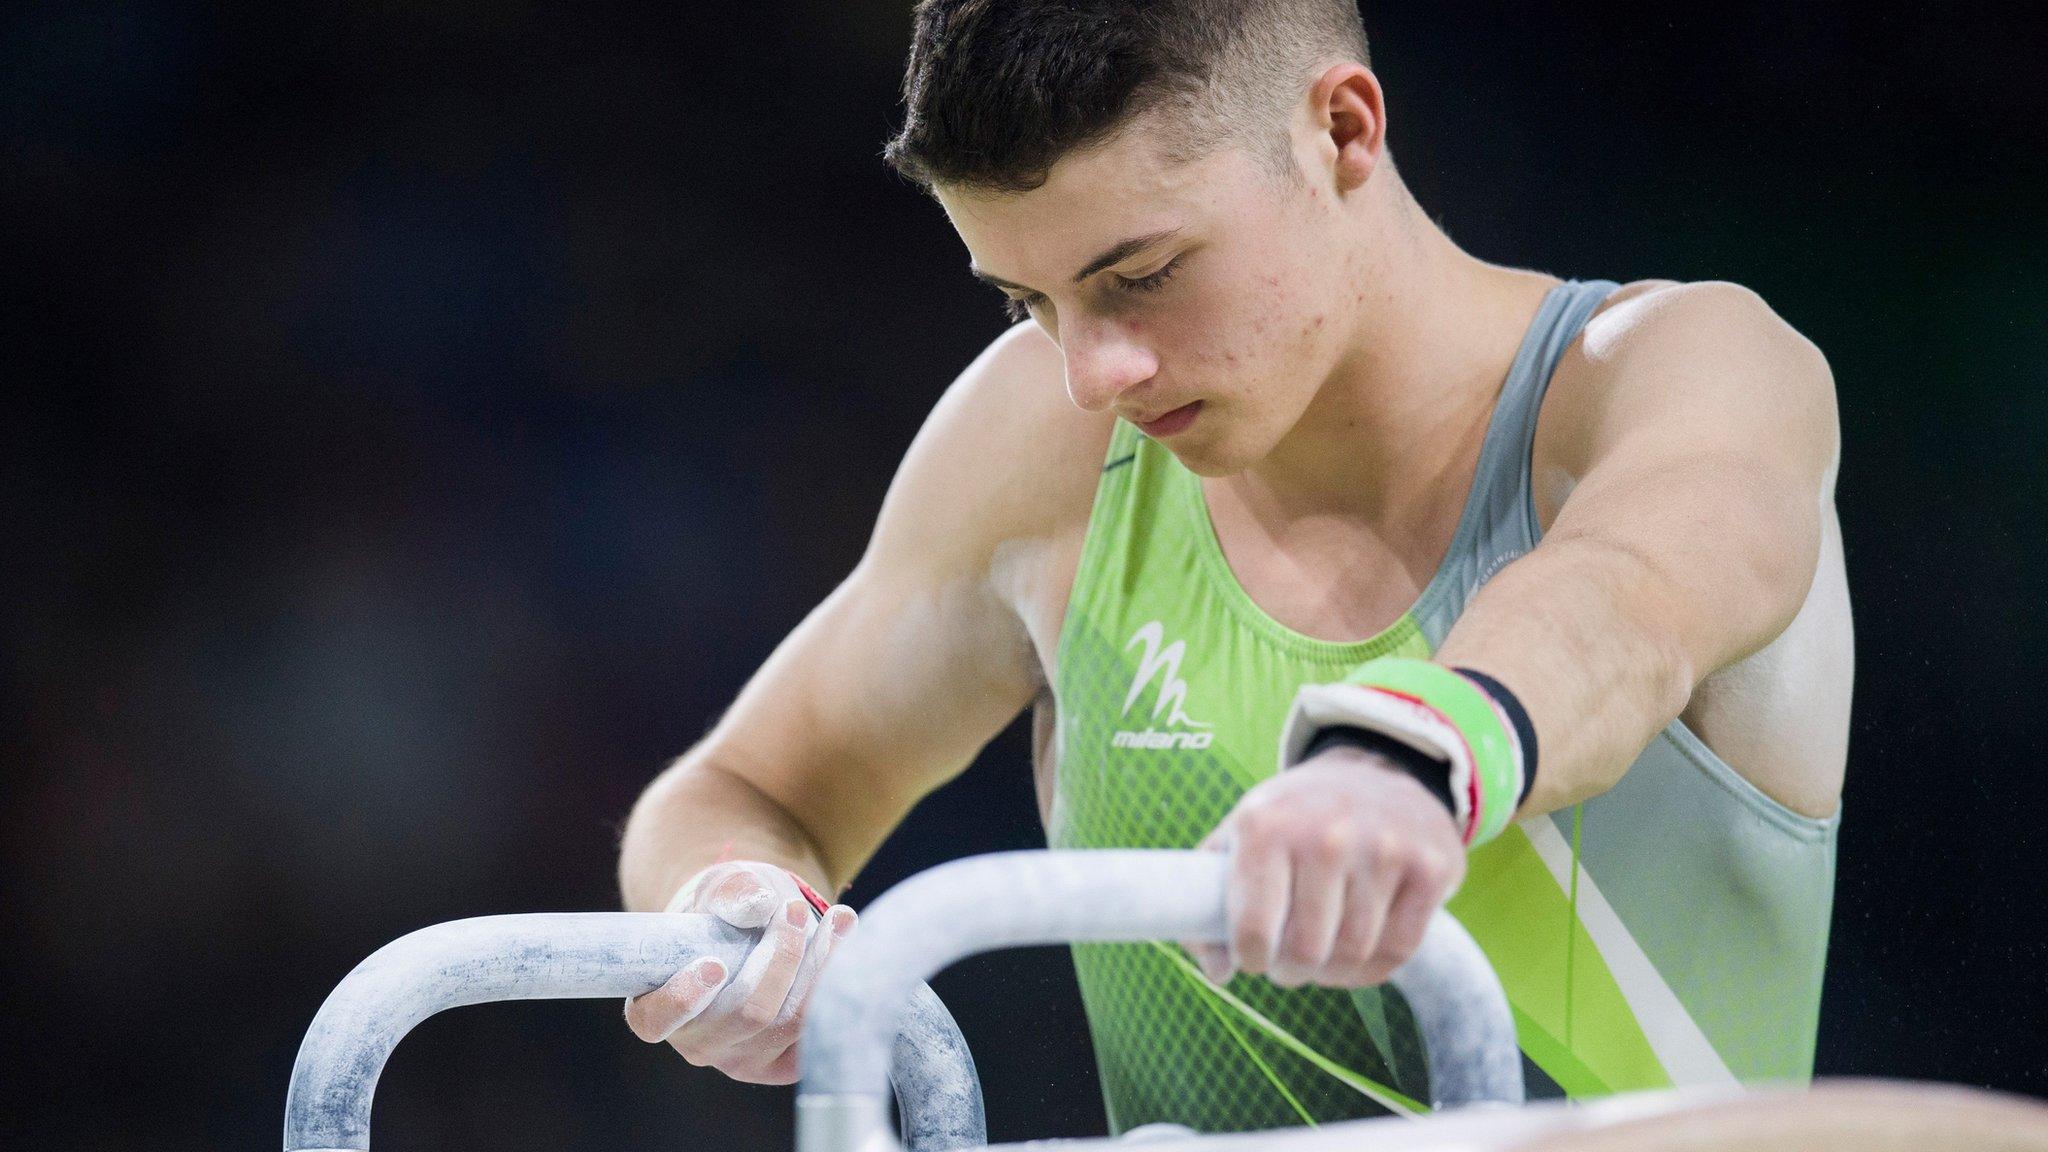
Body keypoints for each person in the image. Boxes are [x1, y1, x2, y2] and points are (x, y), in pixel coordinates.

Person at [616, 0, 1851, 1133]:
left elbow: (1625, 600)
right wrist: (735, 911)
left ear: (1341, 130)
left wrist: (1408, 760)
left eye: (1140, 277)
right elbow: (740, 789)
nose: (1091, 372)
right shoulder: (1045, 450)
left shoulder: (1681, 374)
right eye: (1026, 303)